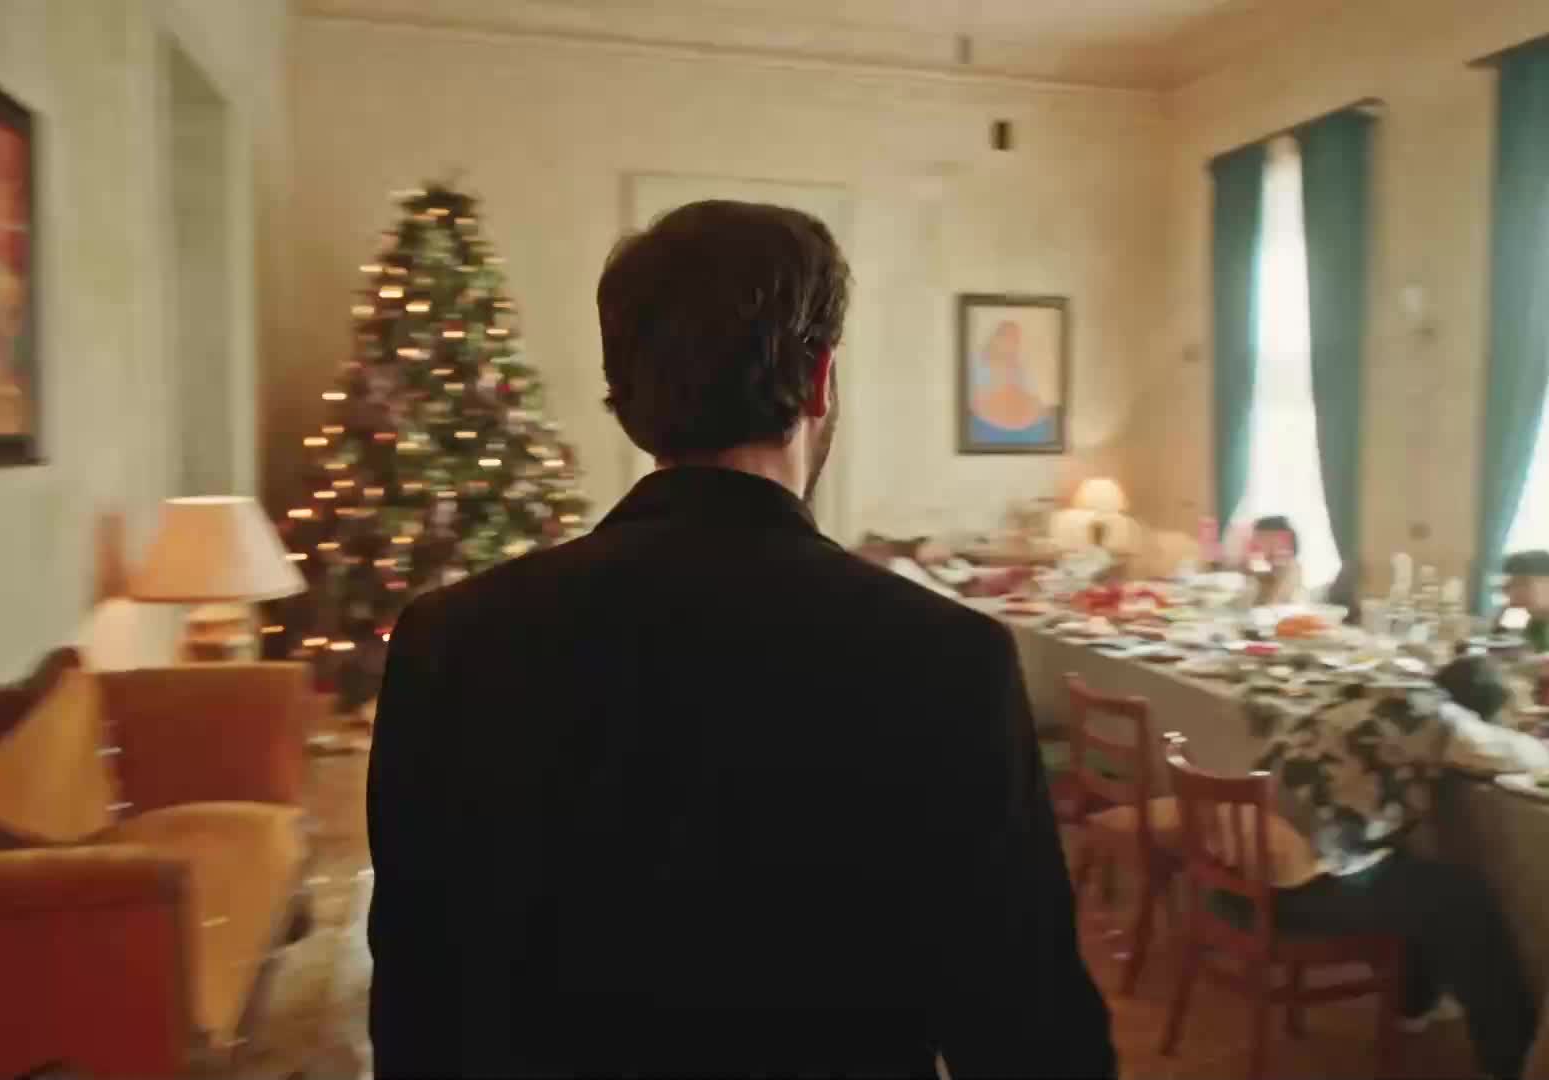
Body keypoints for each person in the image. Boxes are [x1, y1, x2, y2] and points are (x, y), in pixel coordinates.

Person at [367, 200, 1113, 1078]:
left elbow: (416, 1007)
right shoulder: (947, 659)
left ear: (627, 397)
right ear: (821, 380)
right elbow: (1027, 1033)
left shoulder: (449, 642)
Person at [1217, 660, 1538, 1080]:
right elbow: (1519, 756)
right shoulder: (1438, 717)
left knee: (1419, 877)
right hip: (1292, 889)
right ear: (1478, 713)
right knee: (1463, 900)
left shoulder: (1365, 691)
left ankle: (1412, 1003)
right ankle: (1513, 1064)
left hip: (1242, 870)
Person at [968, 319, 1057, 445]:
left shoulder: (1018, 367)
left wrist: (1038, 408)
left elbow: (1033, 397)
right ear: (996, 339)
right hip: (991, 427)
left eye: (1015, 341)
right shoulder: (978, 364)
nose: (1012, 345)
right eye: (1007, 338)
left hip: (1023, 428)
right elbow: (977, 399)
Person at [1245, 515, 1305, 605]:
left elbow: (1273, 604)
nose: (1256, 545)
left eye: (1262, 539)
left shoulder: (1291, 569)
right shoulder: (1265, 572)